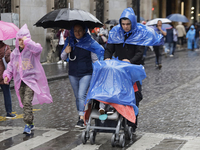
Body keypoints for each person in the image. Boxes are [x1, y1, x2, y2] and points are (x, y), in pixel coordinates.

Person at [103, 7, 163, 131]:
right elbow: (109, 48)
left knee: (136, 95)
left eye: (128, 24)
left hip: (133, 70)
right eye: (123, 24)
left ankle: (132, 123)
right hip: (119, 70)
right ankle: (116, 119)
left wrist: (130, 61)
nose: (125, 26)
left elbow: (140, 53)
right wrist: (107, 58)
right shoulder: (115, 33)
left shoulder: (139, 34)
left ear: (133, 23)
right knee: (115, 94)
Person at [3, 24, 53, 134]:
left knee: (27, 102)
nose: (21, 42)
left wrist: (28, 42)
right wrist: (7, 75)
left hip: (31, 81)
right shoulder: (15, 53)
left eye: (23, 40)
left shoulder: (32, 51)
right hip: (19, 82)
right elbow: (11, 66)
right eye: (19, 40)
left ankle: (28, 124)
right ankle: (31, 122)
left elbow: (38, 49)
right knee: (23, 101)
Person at [61, 23, 104, 128]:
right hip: (73, 73)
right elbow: (62, 57)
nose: (77, 33)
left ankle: (81, 119)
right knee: (77, 97)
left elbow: (95, 59)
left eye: (80, 30)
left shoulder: (89, 43)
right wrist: (66, 52)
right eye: (75, 31)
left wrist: (100, 70)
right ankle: (82, 115)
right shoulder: (69, 42)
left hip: (86, 72)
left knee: (81, 95)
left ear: (84, 31)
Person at [0, 41, 16, 118]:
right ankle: (9, 112)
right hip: (3, 75)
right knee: (6, 94)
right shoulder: (6, 47)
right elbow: (9, 60)